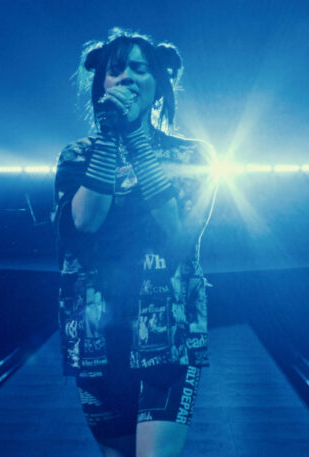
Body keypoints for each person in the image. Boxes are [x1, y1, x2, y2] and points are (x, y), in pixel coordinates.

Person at [52, 28, 217, 457]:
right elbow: (84, 222)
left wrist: (138, 139)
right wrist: (110, 135)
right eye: (116, 70)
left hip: (167, 335)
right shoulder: (75, 155)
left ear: (158, 85)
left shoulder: (192, 156)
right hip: (98, 335)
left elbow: (177, 226)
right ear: (101, 85)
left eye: (139, 69)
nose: (126, 76)